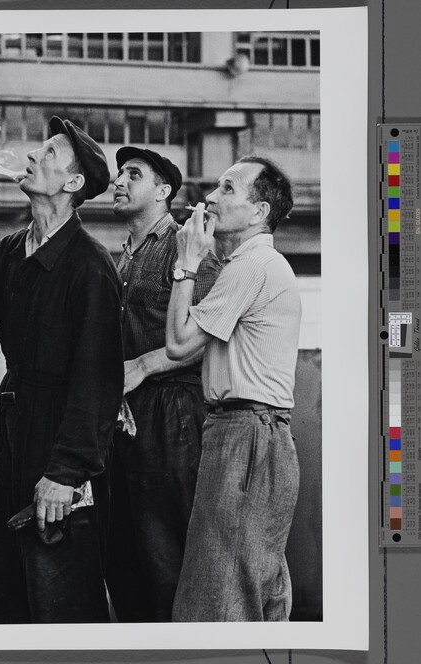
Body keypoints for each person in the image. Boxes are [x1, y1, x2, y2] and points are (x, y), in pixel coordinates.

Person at [0, 117, 123, 624]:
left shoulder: (90, 267)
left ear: (73, 184)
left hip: (58, 445)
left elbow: (96, 384)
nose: (33, 157)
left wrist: (64, 473)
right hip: (13, 436)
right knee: (6, 590)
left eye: (49, 154)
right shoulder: (12, 251)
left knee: (60, 593)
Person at [166, 156, 302, 622]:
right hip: (258, 435)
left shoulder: (251, 266)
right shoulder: (256, 265)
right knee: (258, 582)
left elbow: (180, 341)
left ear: (260, 211)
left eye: (227, 189)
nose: (210, 198)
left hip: (245, 434)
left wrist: (186, 263)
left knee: (219, 593)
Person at [105, 147, 220, 622]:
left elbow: (215, 329)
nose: (119, 181)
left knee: (168, 562)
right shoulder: (122, 258)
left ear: (164, 192)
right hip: (125, 422)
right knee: (126, 563)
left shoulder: (187, 246)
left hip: (176, 418)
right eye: (118, 175)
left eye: (134, 174)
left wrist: (145, 365)